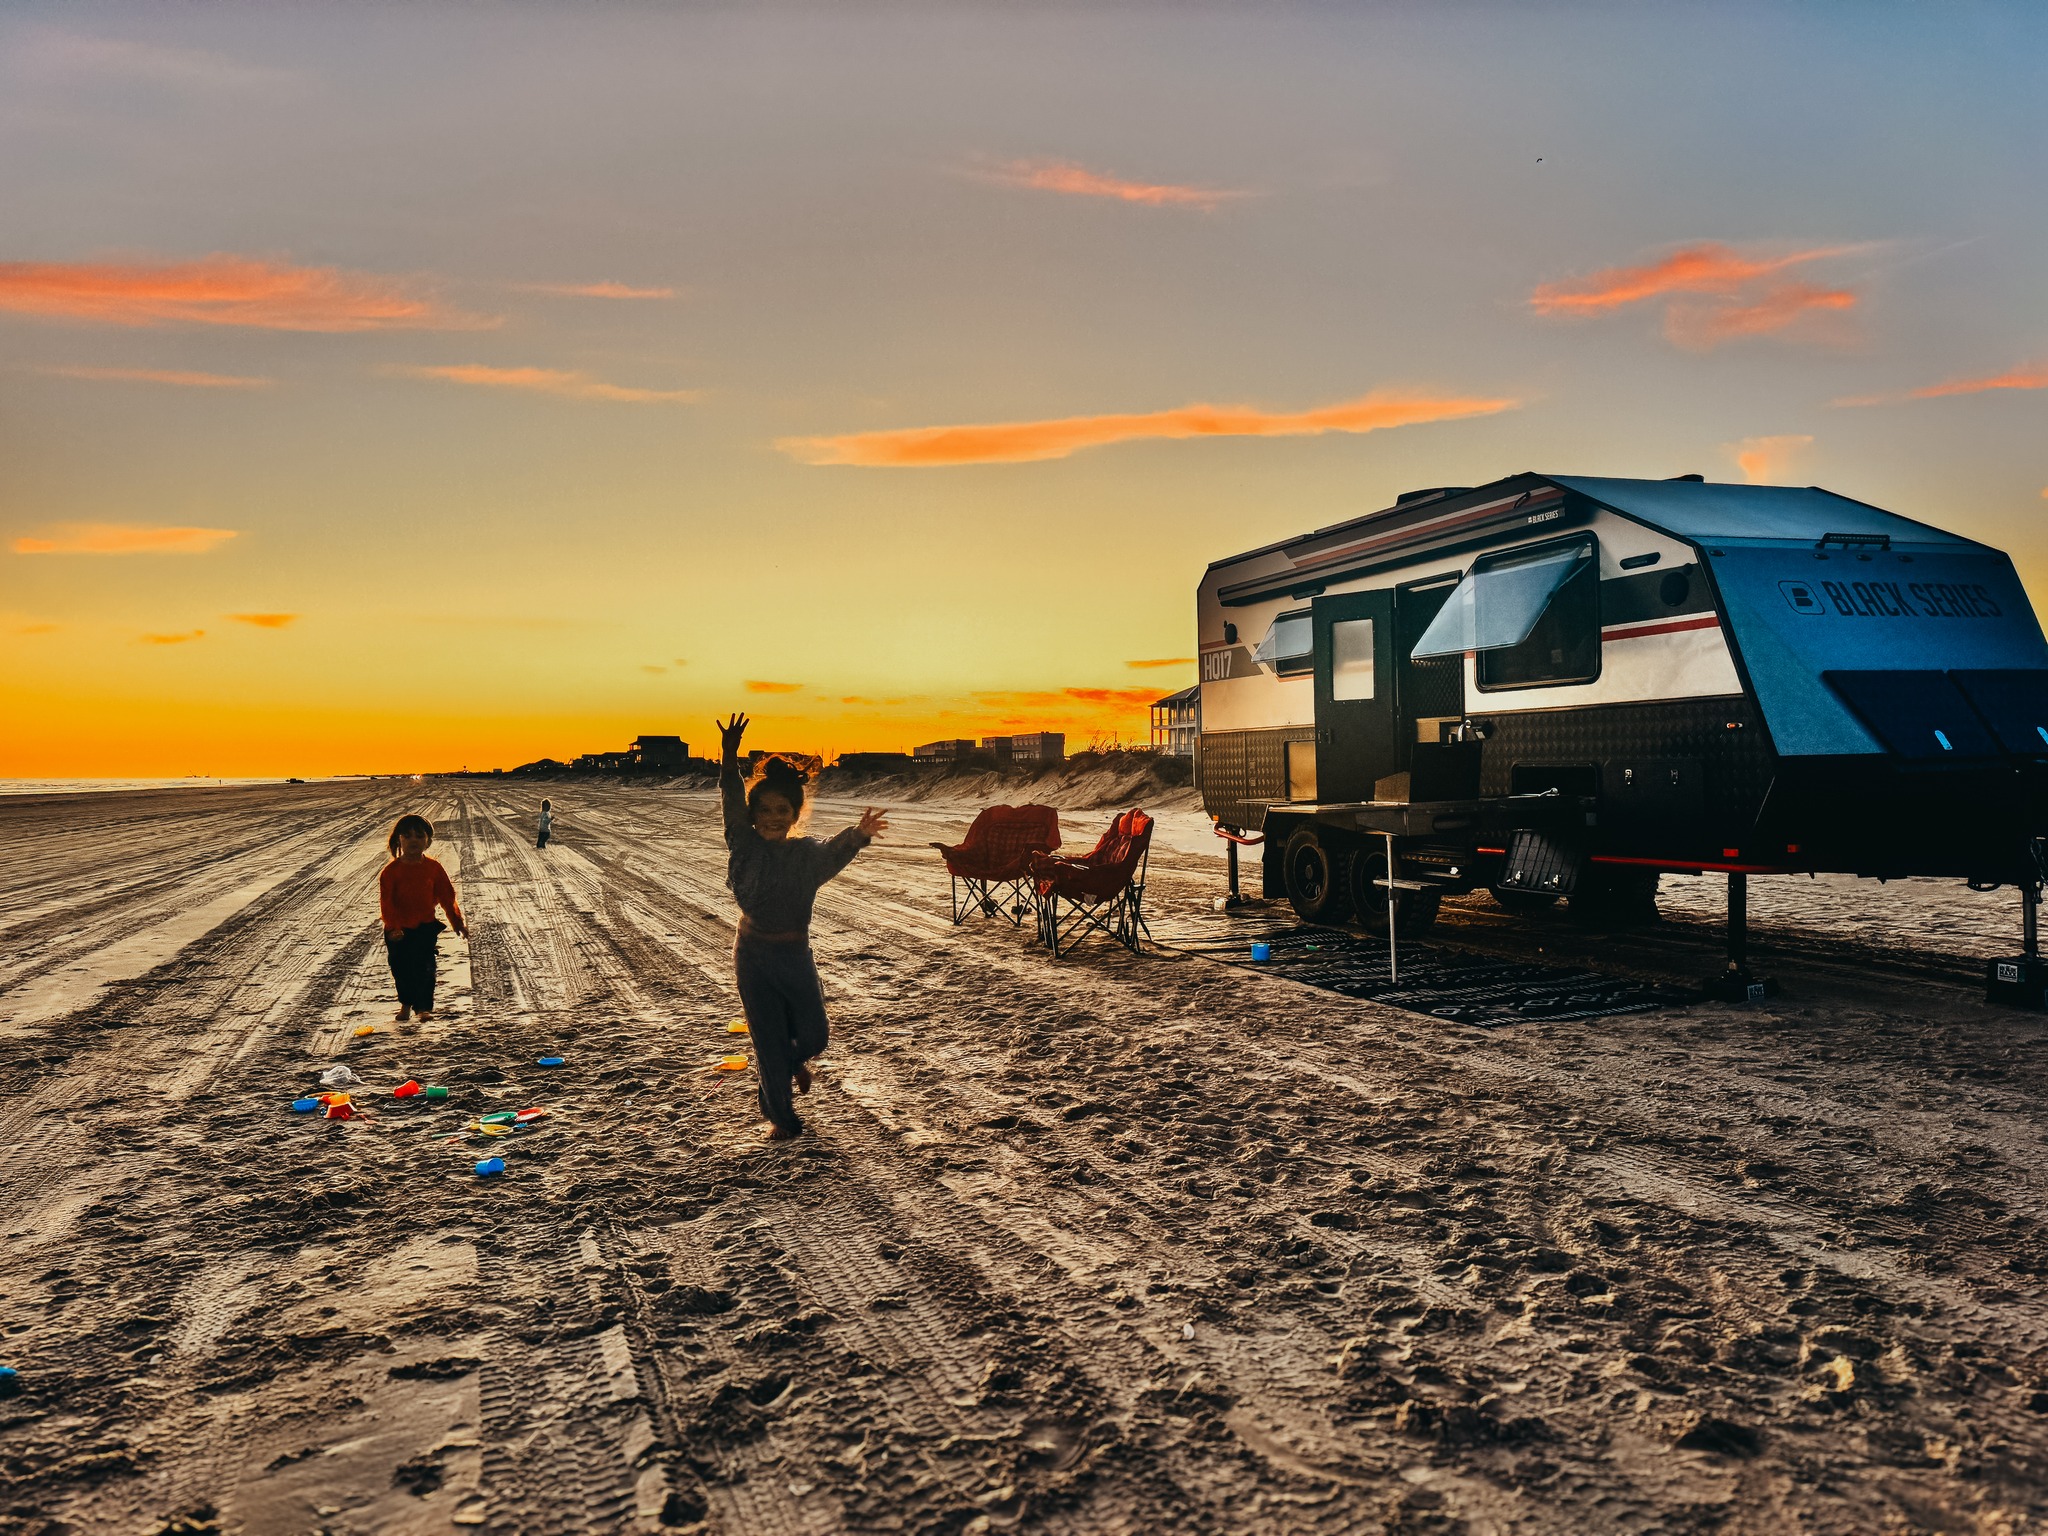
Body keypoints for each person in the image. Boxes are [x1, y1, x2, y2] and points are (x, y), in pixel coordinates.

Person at [718, 712, 886, 1141]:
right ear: (752, 815)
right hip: (752, 955)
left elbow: (835, 848)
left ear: (795, 814)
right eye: (765, 810)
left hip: (794, 955)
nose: (773, 817)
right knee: (767, 1041)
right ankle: (782, 1119)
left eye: (783, 810)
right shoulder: (742, 841)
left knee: (814, 1035)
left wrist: (860, 833)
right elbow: (731, 795)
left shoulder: (806, 856)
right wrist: (729, 756)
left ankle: (793, 1062)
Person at [379, 813, 467, 1022]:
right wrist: (394, 927)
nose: (414, 840)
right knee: (401, 969)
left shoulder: (433, 868)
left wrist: (457, 922)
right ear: (398, 840)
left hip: (425, 927)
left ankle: (423, 1008)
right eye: (407, 836)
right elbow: (387, 903)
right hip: (398, 930)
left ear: (427, 841)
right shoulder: (390, 872)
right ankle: (406, 1005)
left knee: (425, 968)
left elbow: (447, 897)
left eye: (419, 836)